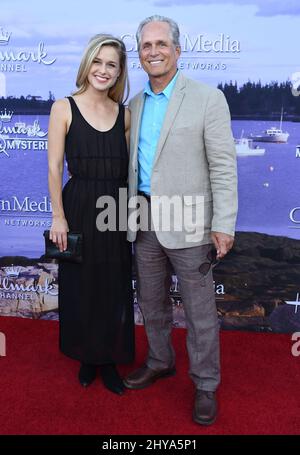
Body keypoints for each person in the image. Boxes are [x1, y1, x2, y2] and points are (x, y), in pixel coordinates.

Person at [124, 16, 238, 425]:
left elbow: (223, 166)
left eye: (161, 43)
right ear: (139, 53)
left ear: (177, 49)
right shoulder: (134, 104)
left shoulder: (209, 98)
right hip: (145, 220)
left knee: (200, 311)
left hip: (191, 223)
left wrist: (223, 223)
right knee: (151, 302)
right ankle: (159, 360)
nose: (153, 51)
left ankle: (206, 384)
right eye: (145, 46)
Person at [47, 34, 134, 395]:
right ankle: (87, 356)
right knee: (82, 284)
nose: (103, 70)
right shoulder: (63, 107)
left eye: (111, 64)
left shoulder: (125, 115)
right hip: (79, 204)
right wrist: (58, 217)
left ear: (119, 72)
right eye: (97, 62)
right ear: (87, 64)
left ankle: (108, 358)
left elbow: (130, 171)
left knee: (113, 284)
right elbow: (54, 169)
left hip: (114, 208)